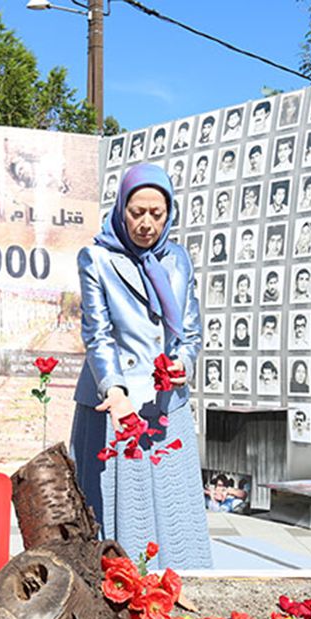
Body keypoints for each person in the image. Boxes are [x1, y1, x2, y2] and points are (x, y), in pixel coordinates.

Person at [70, 164, 211, 569]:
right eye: (137, 212)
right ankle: (114, 586)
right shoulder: (97, 258)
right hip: (115, 403)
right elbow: (97, 334)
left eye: (157, 213)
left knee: (173, 513)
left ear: (169, 214)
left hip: (166, 404)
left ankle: (177, 582)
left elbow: (190, 329)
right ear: (121, 209)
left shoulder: (178, 259)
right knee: (118, 513)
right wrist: (114, 391)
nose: (146, 223)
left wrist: (182, 363)